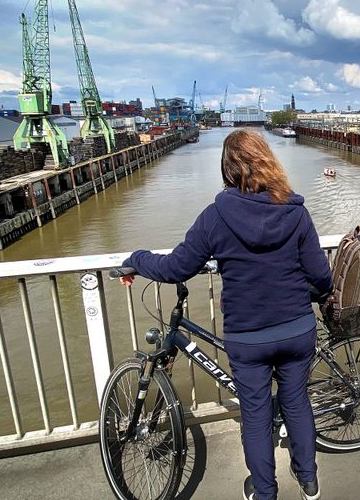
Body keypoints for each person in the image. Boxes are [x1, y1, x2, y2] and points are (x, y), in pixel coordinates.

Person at [119, 129, 332, 500]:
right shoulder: (296, 212)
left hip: (248, 338)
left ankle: (264, 492)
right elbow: (321, 277)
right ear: (268, 161)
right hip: (297, 328)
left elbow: (176, 267)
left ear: (228, 168)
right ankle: (309, 481)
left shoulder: (216, 216)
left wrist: (136, 259)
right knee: (296, 402)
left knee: (255, 415)